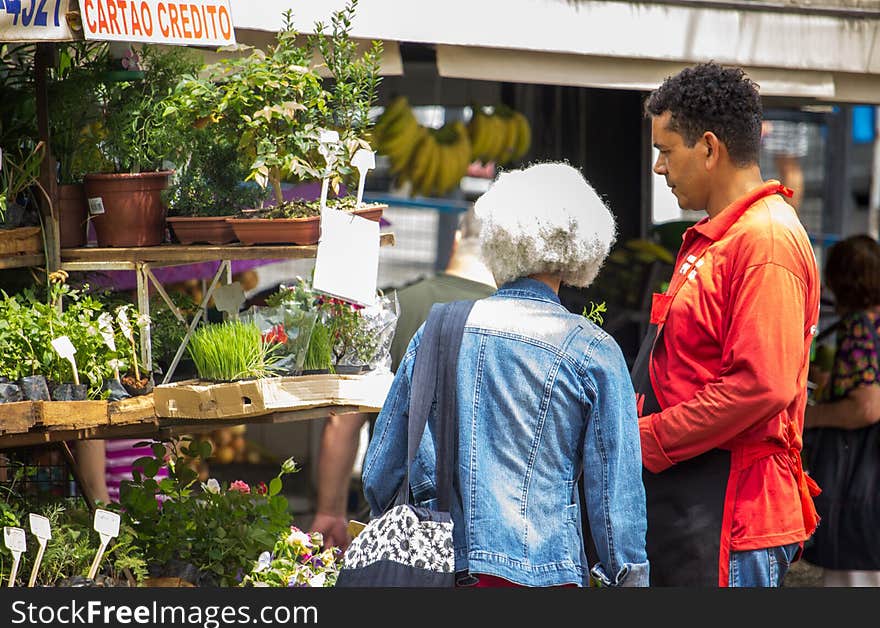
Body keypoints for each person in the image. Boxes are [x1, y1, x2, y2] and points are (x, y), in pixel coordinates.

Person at [362, 162, 649, 587]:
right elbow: (614, 506)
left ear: (497, 239)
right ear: (583, 249)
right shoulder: (593, 351)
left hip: (444, 570)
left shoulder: (437, 330)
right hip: (549, 575)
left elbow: (379, 473)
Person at [636, 62, 822, 587]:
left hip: (733, 518)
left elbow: (761, 385)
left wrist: (647, 439)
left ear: (710, 148)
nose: (658, 167)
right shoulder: (726, 235)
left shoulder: (764, 240)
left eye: (666, 151)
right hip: (699, 507)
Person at [309, 208, 497, 548]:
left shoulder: (397, 307)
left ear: (456, 239)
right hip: (485, 535)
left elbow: (344, 422)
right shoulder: (513, 323)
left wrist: (330, 511)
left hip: (395, 529)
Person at [803, 234, 880, 587]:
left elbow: (867, 405)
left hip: (860, 484)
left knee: (853, 578)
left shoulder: (860, 327)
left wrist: (807, 417)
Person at [761, 119, 809, 213]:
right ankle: (789, 210)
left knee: (788, 167)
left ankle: (791, 211)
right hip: (784, 116)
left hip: (785, 117)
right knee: (786, 167)